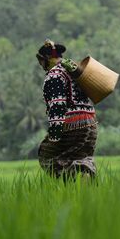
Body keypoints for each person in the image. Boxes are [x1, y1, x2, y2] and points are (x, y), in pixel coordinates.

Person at [36, 39, 98, 181]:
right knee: (82, 158)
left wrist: (55, 134)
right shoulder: (76, 72)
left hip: (72, 123)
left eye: (41, 62)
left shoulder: (54, 75)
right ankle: (86, 192)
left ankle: (76, 183)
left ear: (47, 59)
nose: (41, 66)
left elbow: (57, 106)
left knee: (47, 155)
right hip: (91, 124)